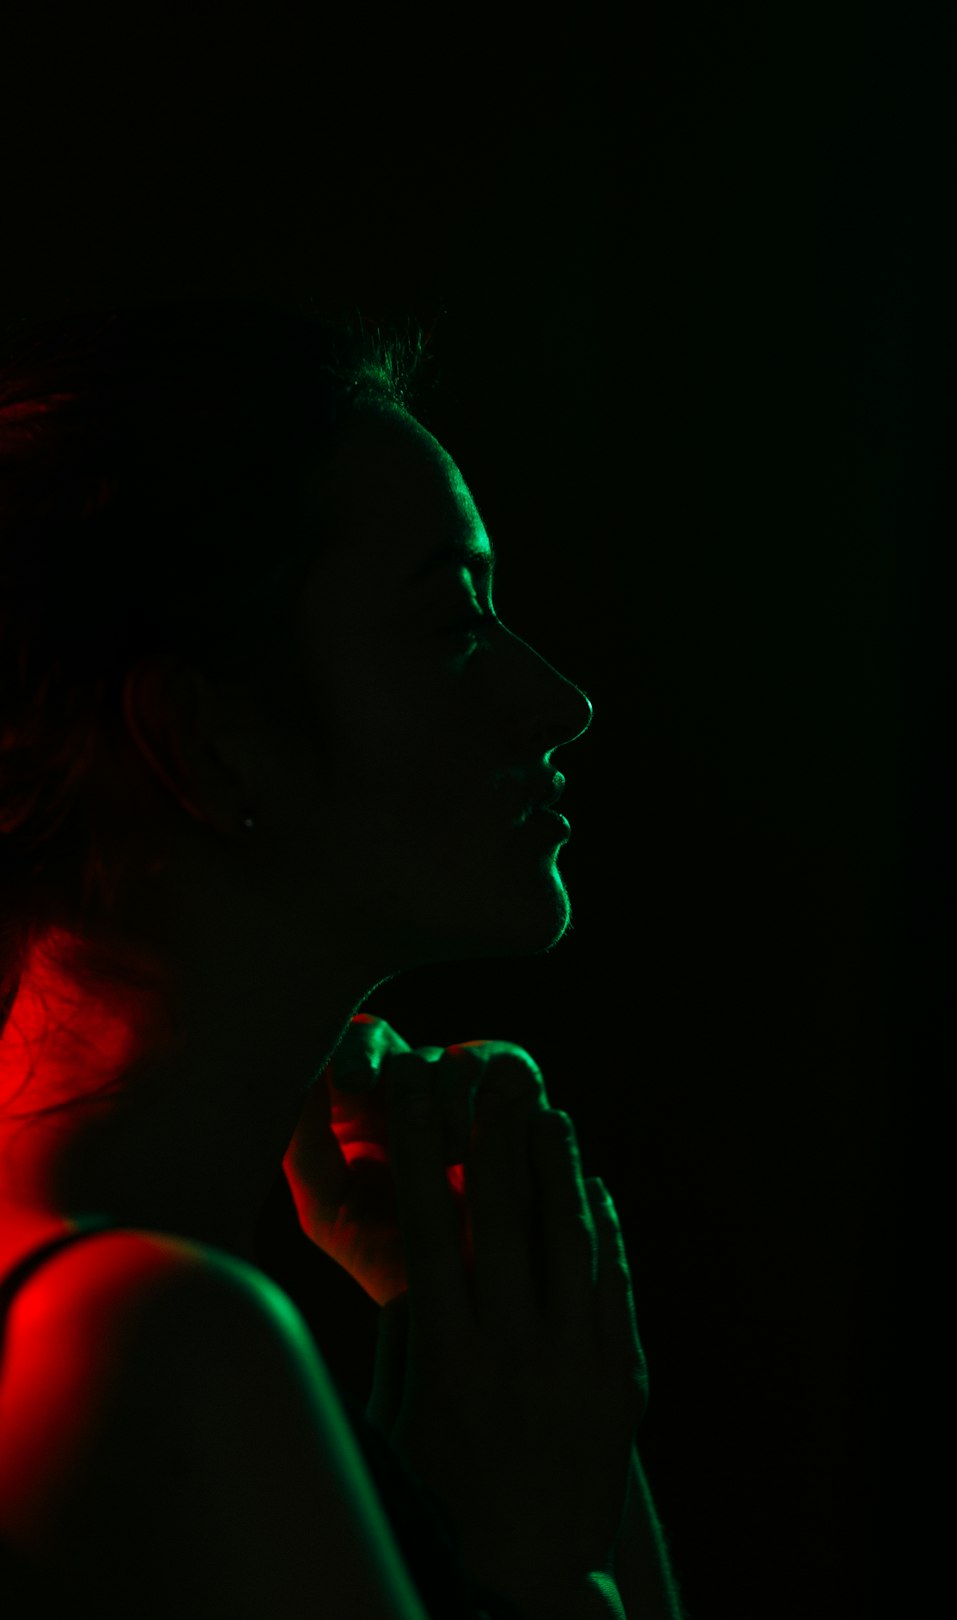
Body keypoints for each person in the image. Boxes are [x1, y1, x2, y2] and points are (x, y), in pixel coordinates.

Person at [0, 297, 684, 1619]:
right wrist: (540, 1562)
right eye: (452, 624)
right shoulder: (161, 1342)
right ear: (207, 740)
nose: (561, 701)